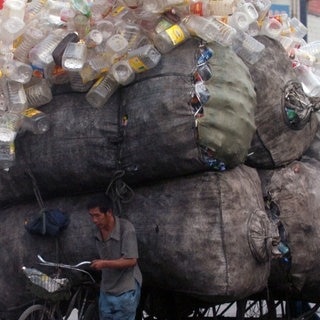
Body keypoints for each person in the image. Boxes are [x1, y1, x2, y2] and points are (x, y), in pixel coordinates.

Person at [87, 193, 142, 320]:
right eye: (91, 216)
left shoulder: (126, 229)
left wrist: (104, 264)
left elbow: (131, 260)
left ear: (109, 212)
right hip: (107, 289)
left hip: (126, 289)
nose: (94, 220)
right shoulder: (97, 232)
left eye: (97, 215)